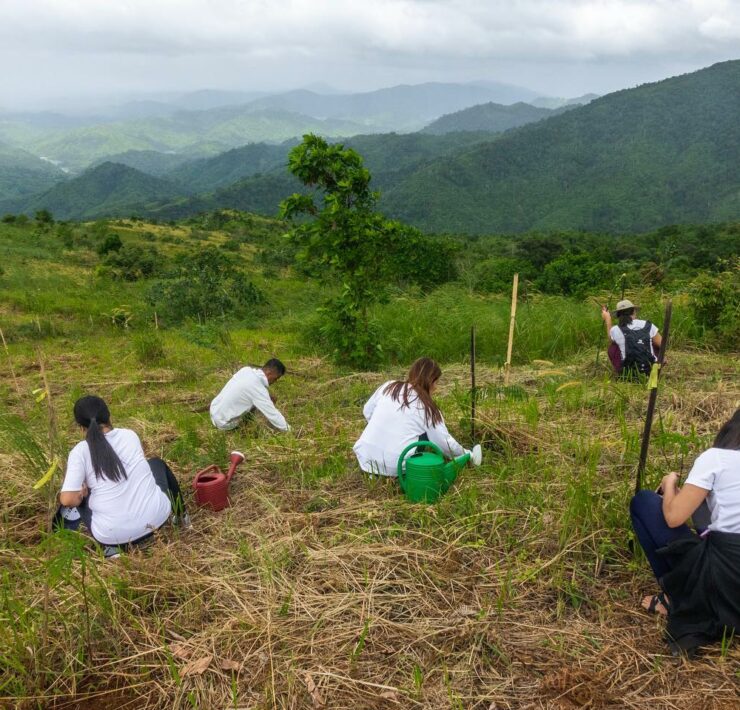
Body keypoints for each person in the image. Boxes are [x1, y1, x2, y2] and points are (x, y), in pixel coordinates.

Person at [630, 409, 740, 654]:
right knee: (703, 510)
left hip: (725, 581)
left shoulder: (717, 458)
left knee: (644, 502)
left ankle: (676, 596)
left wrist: (669, 484)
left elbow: (673, 517)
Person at [55, 395, 189, 558]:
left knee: (80, 495)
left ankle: (111, 550)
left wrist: (82, 492)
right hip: (157, 519)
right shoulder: (129, 435)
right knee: (155, 463)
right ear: (109, 415)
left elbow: (67, 500)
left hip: (113, 536)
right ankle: (182, 517)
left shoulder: (80, 452)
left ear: (81, 428)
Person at [353, 357, 480, 477]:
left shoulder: (389, 386)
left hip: (364, 458)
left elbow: (367, 411)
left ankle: (373, 469)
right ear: (431, 381)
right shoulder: (428, 408)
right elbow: (444, 443)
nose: (436, 387)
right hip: (395, 468)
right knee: (427, 434)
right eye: (436, 382)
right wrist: (466, 454)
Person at [210, 358, 290, 432]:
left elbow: (250, 388)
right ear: (269, 373)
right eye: (275, 378)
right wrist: (289, 430)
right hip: (224, 423)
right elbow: (273, 414)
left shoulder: (245, 370)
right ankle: (247, 426)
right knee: (263, 408)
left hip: (214, 412)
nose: (274, 381)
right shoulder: (258, 389)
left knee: (259, 399)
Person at [600, 299, 662, 377]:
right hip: (651, 372)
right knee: (654, 343)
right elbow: (662, 344)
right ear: (634, 311)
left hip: (627, 374)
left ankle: (619, 370)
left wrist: (608, 320)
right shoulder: (648, 325)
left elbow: (610, 339)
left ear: (618, 315)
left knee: (613, 347)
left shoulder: (615, 329)